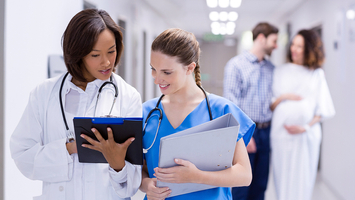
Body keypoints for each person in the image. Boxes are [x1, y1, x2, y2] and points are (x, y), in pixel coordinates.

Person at [10, 9, 142, 200]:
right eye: (95, 55)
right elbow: (22, 156)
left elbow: (131, 184)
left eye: (111, 51)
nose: (106, 62)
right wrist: (68, 149)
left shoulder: (128, 96)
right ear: (78, 54)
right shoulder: (44, 94)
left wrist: (117, 163)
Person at [139, 28, 255, 200]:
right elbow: (139, 170)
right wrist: (146, 185)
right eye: (153, 69)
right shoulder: (147, 113)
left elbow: (244, 175)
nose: (157, 79)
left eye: (167, 72)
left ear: (190, 68)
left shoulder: (222, 110)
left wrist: (197, 176)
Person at [270, 29, 335, 200]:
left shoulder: (316, 74)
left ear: (309, 50)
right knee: (282, 178)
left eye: (300, 46)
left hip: (306, 136)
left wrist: (305, 127)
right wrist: (285, 96)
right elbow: (271, 104)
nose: (294, 49)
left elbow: (322, 109)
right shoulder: (280, 71)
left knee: (302, 179)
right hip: (281, 135)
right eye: (293, 44)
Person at [223, 22, 279, 200]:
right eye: (274, 41)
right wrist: (243, 135)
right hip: (247, 132)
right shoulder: (236, 65)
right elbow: (231, 105)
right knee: (241, 186)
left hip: (267, 130)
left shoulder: (272, 69)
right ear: (261, 38)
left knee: (260, 185)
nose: (276, 46)